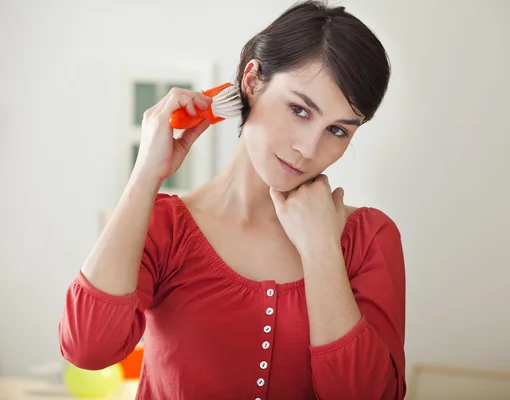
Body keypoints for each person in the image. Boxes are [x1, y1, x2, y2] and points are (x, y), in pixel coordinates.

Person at [58, 1, 407, 399]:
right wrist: (145, 177)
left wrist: (321, 250)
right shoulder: (163, 228)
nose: (308, 148)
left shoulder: (367, 239)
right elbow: (87, 348)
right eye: (299, 109)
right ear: (253, 81)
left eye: (338, 131)